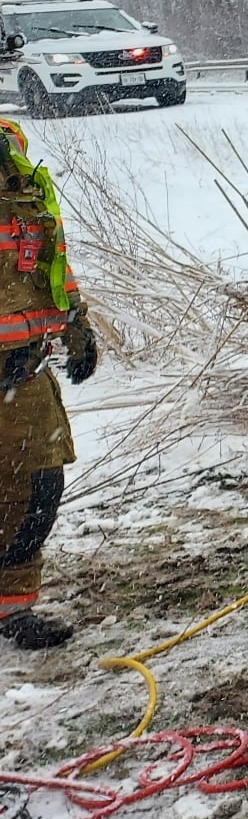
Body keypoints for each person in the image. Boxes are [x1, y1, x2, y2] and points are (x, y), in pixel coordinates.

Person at [1, 116, 96, 650]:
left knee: (37, 490)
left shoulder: (20, 175)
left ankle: (14, 610)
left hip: (24, 372)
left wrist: (75, 322)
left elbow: (51, 263)